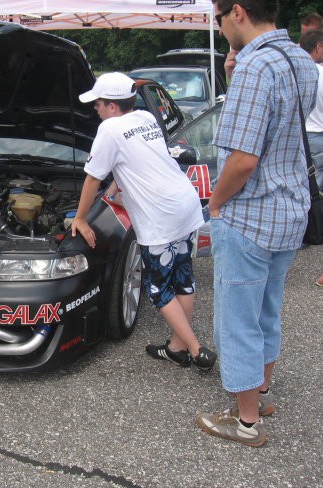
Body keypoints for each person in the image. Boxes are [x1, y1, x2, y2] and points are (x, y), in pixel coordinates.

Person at [197, 0, 318, 447]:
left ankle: (247, 422)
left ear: (238, 11)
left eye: (217, 18)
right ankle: (261, 395)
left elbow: (243, 160)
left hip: (250, 213)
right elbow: (280, 126)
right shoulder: (300, 60)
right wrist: (234, 74)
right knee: (267, 310)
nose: (219, 26)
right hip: (289, 209)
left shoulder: (256, 67)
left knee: (238, 319)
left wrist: (215, 203)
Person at [71, 72, 217, 372]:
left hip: (160, 216)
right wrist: (112, 194)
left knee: (158, 288)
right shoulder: (145, 118)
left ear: (111, 106)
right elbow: (134, 163)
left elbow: (93, 177)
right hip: (184, 203)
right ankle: (177, 348)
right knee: (183, 279)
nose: (95, 109)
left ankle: (196, 349)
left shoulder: (110, 128)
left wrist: (81, 218)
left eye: (97, 103)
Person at [300, 29, 323, 191]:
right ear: (318, 47)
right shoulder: (320, 72)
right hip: (318, 133)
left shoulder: (295, 70)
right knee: (317, 185)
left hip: (299, 134)